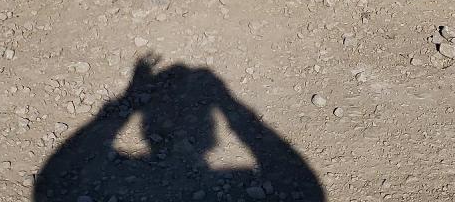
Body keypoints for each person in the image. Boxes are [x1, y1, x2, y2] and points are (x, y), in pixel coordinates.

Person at [34, 54, 324, 202]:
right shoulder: (241, 179)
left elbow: (53, 178)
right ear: (213, 134)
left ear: (144, 129)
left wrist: (126, 102)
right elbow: (305, 183)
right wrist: (227, 103)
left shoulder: (124, 176)